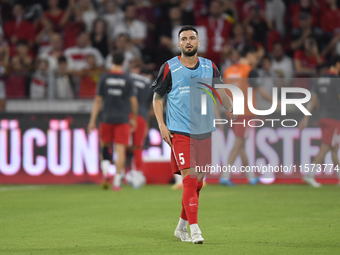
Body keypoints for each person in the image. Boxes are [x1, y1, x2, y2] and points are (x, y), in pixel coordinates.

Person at [151, 25, 236, 244]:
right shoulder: (169, 67)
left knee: (198, 182)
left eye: (192, 38)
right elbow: (157, 97)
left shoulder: (210, 67)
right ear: (179, 44)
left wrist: (231, 106)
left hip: (204, 131)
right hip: (179, 131)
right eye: (184, 39)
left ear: (199, 43)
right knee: (189, 179)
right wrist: (161, 125)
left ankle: (181, 227)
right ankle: (195, 230)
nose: (188, 41)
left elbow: (221, 91)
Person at [220, 45, 275, 186]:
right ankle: (225, 175)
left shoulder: (228, 70)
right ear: (249, 55)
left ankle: (250, 177)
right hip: (244, 113)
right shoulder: (250, 71)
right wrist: (278, 103)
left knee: (241, 145)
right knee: (238, 142)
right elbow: (262, 92)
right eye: (256, 57)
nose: (257, 60)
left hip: (231, 112)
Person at [88, 51, 138, 191]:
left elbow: (98, 100)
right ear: (123, 63)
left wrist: (92, 120)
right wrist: (133, 118)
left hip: (106, 118)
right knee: (120, 150)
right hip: (122, 119)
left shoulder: (104, 78)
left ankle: (105, 173)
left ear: (111, 62)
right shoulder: (127, 79)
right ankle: (116, 182)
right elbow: (133, 101)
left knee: (105, 145)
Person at [298, 55, 340, 187]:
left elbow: (313, 99)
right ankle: (310, 174)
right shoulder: (337, 79)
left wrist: (306, 117)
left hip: (323, 117)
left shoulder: (320, 79)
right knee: (327, 146)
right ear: (338, 64)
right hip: (334, 117)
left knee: (334, 148)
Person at [127, 62, 153, 189]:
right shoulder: (149, 83)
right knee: (138, 147)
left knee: (120, 146)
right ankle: (136, 175)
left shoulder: (128, 78)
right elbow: (152, 106)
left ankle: (118, 175)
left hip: (126, 115)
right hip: (141, 116)